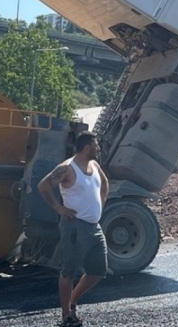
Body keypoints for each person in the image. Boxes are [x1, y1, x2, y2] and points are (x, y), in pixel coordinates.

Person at [37, 131, 109, 327]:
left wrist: (100, 203)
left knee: (98, 271)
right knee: (69, 272)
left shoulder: (94, 165)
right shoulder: (67, 168)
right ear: (87, 148)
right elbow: (43, 186)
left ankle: (72, 301)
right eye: (96, 145)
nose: (98, 148)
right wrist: (58, 208)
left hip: (94, 226)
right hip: (75, 227)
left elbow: (104, 183)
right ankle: (66, 316)